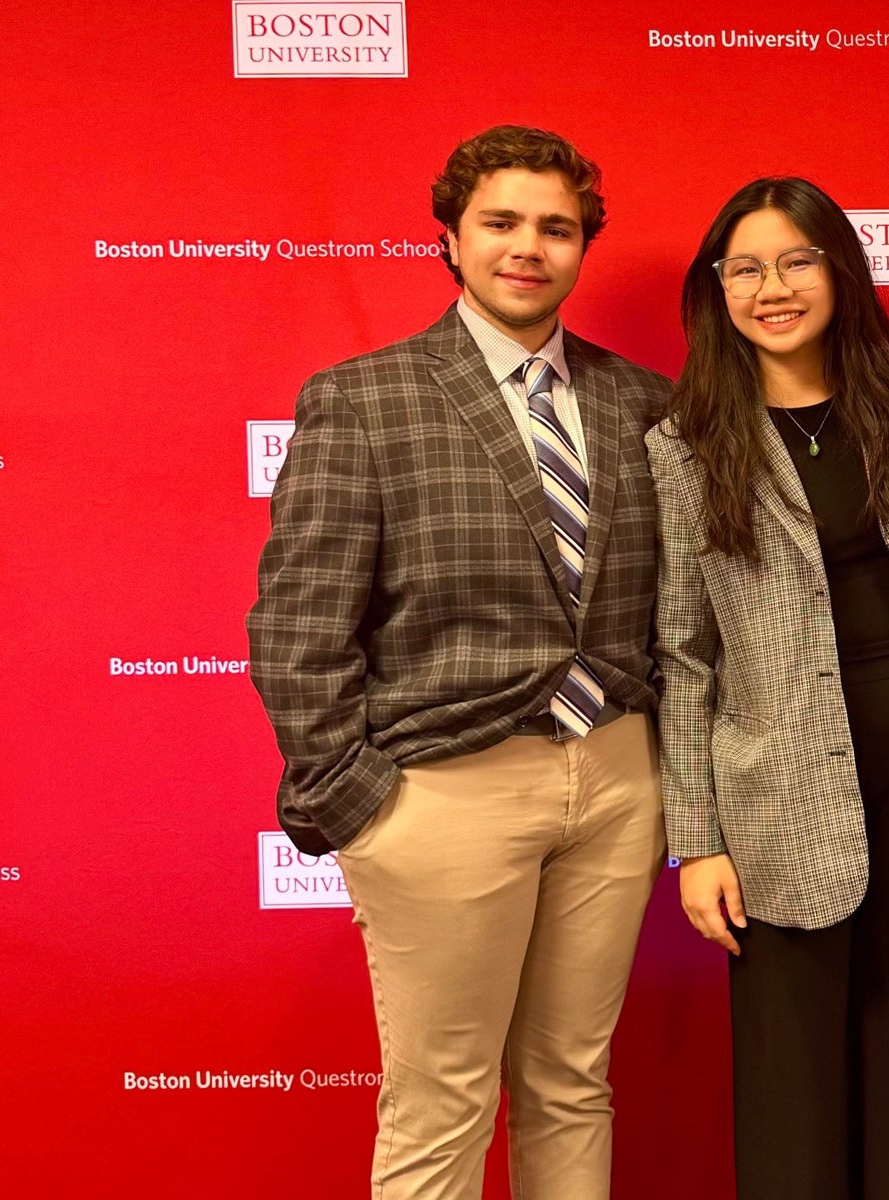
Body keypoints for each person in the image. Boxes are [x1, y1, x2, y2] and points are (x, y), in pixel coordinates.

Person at [247, 125, 669, 1200]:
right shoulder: (364, 398)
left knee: (573, 1083)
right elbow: (296, 630)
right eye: (501, 222)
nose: (528, 247)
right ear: (450, 235)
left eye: (555, 228)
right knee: (442, 1100)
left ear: (583, 248)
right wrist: (363, 802)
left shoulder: (644, 403)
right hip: (442, 790)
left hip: (618, 781)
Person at [648, 176, 889, 1200]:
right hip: (774, 793)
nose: (773, 287)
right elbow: (684, 653)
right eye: (745, 268)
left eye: (796, 261)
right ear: (717, 289)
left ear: (838, 269)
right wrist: (695, 838)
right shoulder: (685, 443)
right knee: (793, 1086)